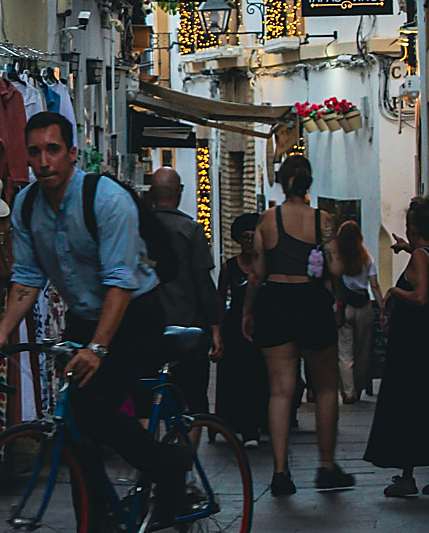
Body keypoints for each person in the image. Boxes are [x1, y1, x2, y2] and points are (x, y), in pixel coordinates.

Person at [0, 111, 193, 522]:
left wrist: (98, 347)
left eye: (54, 150)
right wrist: (1, 334)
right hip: (83, 316)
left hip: (134, 315)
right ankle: (96, 520)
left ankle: (169, 465)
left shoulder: (107, 200)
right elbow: (26, 280)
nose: (44, 162)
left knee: (93, 407)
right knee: (75, 425)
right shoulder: (25, 207)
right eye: (36, 152)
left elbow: (121, 282)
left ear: (72, 154)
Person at [242, 155, 355, 495]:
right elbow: (334, 271)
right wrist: (337, 300)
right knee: (324, 388)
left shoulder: (267, 220)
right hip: (311, 302)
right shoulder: (324, 221)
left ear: (281, 182)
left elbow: (257, 273)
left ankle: (280, 472)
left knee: (280, 389)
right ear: (309, 182)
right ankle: (326, 465)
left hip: (275, 302)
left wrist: (247, 311)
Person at [364, 195, 429, 497]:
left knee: (408, 405)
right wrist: (408, 250)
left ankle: (407, 477)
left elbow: (421, 297)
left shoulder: (420, 257)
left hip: (418, 347)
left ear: (413, 227)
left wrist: (394, 290)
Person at [149, 167, 222, 415]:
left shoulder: (136, 228)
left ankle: (154, 448)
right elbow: (203, 282)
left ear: (151, 193)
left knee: (149, 400)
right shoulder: (190, 230)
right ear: (180, 192)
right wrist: (215, 327)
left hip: (147, 327)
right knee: (193, 399)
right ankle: (186, 449)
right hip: (189, 328)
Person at [215, 213, 268, 446]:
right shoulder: (230, 267)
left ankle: (257, 422)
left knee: (258, 375)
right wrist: (217, 329)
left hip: (261, 324)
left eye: (251, 237)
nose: (248, 241)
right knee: (235, 375)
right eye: (244, 237)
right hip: (235, 326)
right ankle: (233, 422)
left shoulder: (265, 267)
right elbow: (220, 297)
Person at [335, 220, 380, 404]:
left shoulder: (338, 259)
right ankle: (359, 387)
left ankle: (348, 392)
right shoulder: (366, 258)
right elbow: (374, 285)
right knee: (363, 351)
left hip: (344, 306)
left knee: (344, 352)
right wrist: (382, 306)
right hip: (364, 305)